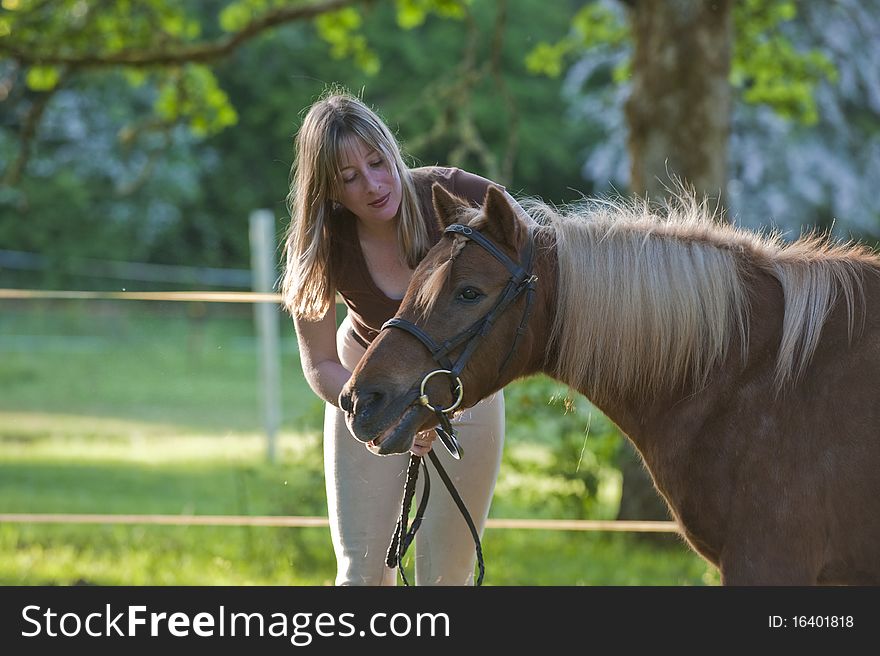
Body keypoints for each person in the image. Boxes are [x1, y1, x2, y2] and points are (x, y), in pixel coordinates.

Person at [280, 88, 508, 586]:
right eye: (349, 177)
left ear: (391, 150)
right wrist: (385, 414)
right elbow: (319, 362)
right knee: (362, 573)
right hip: (365, 383)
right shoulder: (323, 243)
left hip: (463, 391)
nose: (374, 184)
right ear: (329, 190)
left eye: (378, 162)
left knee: (446, 578)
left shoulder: (457, 194)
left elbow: (536, 261)